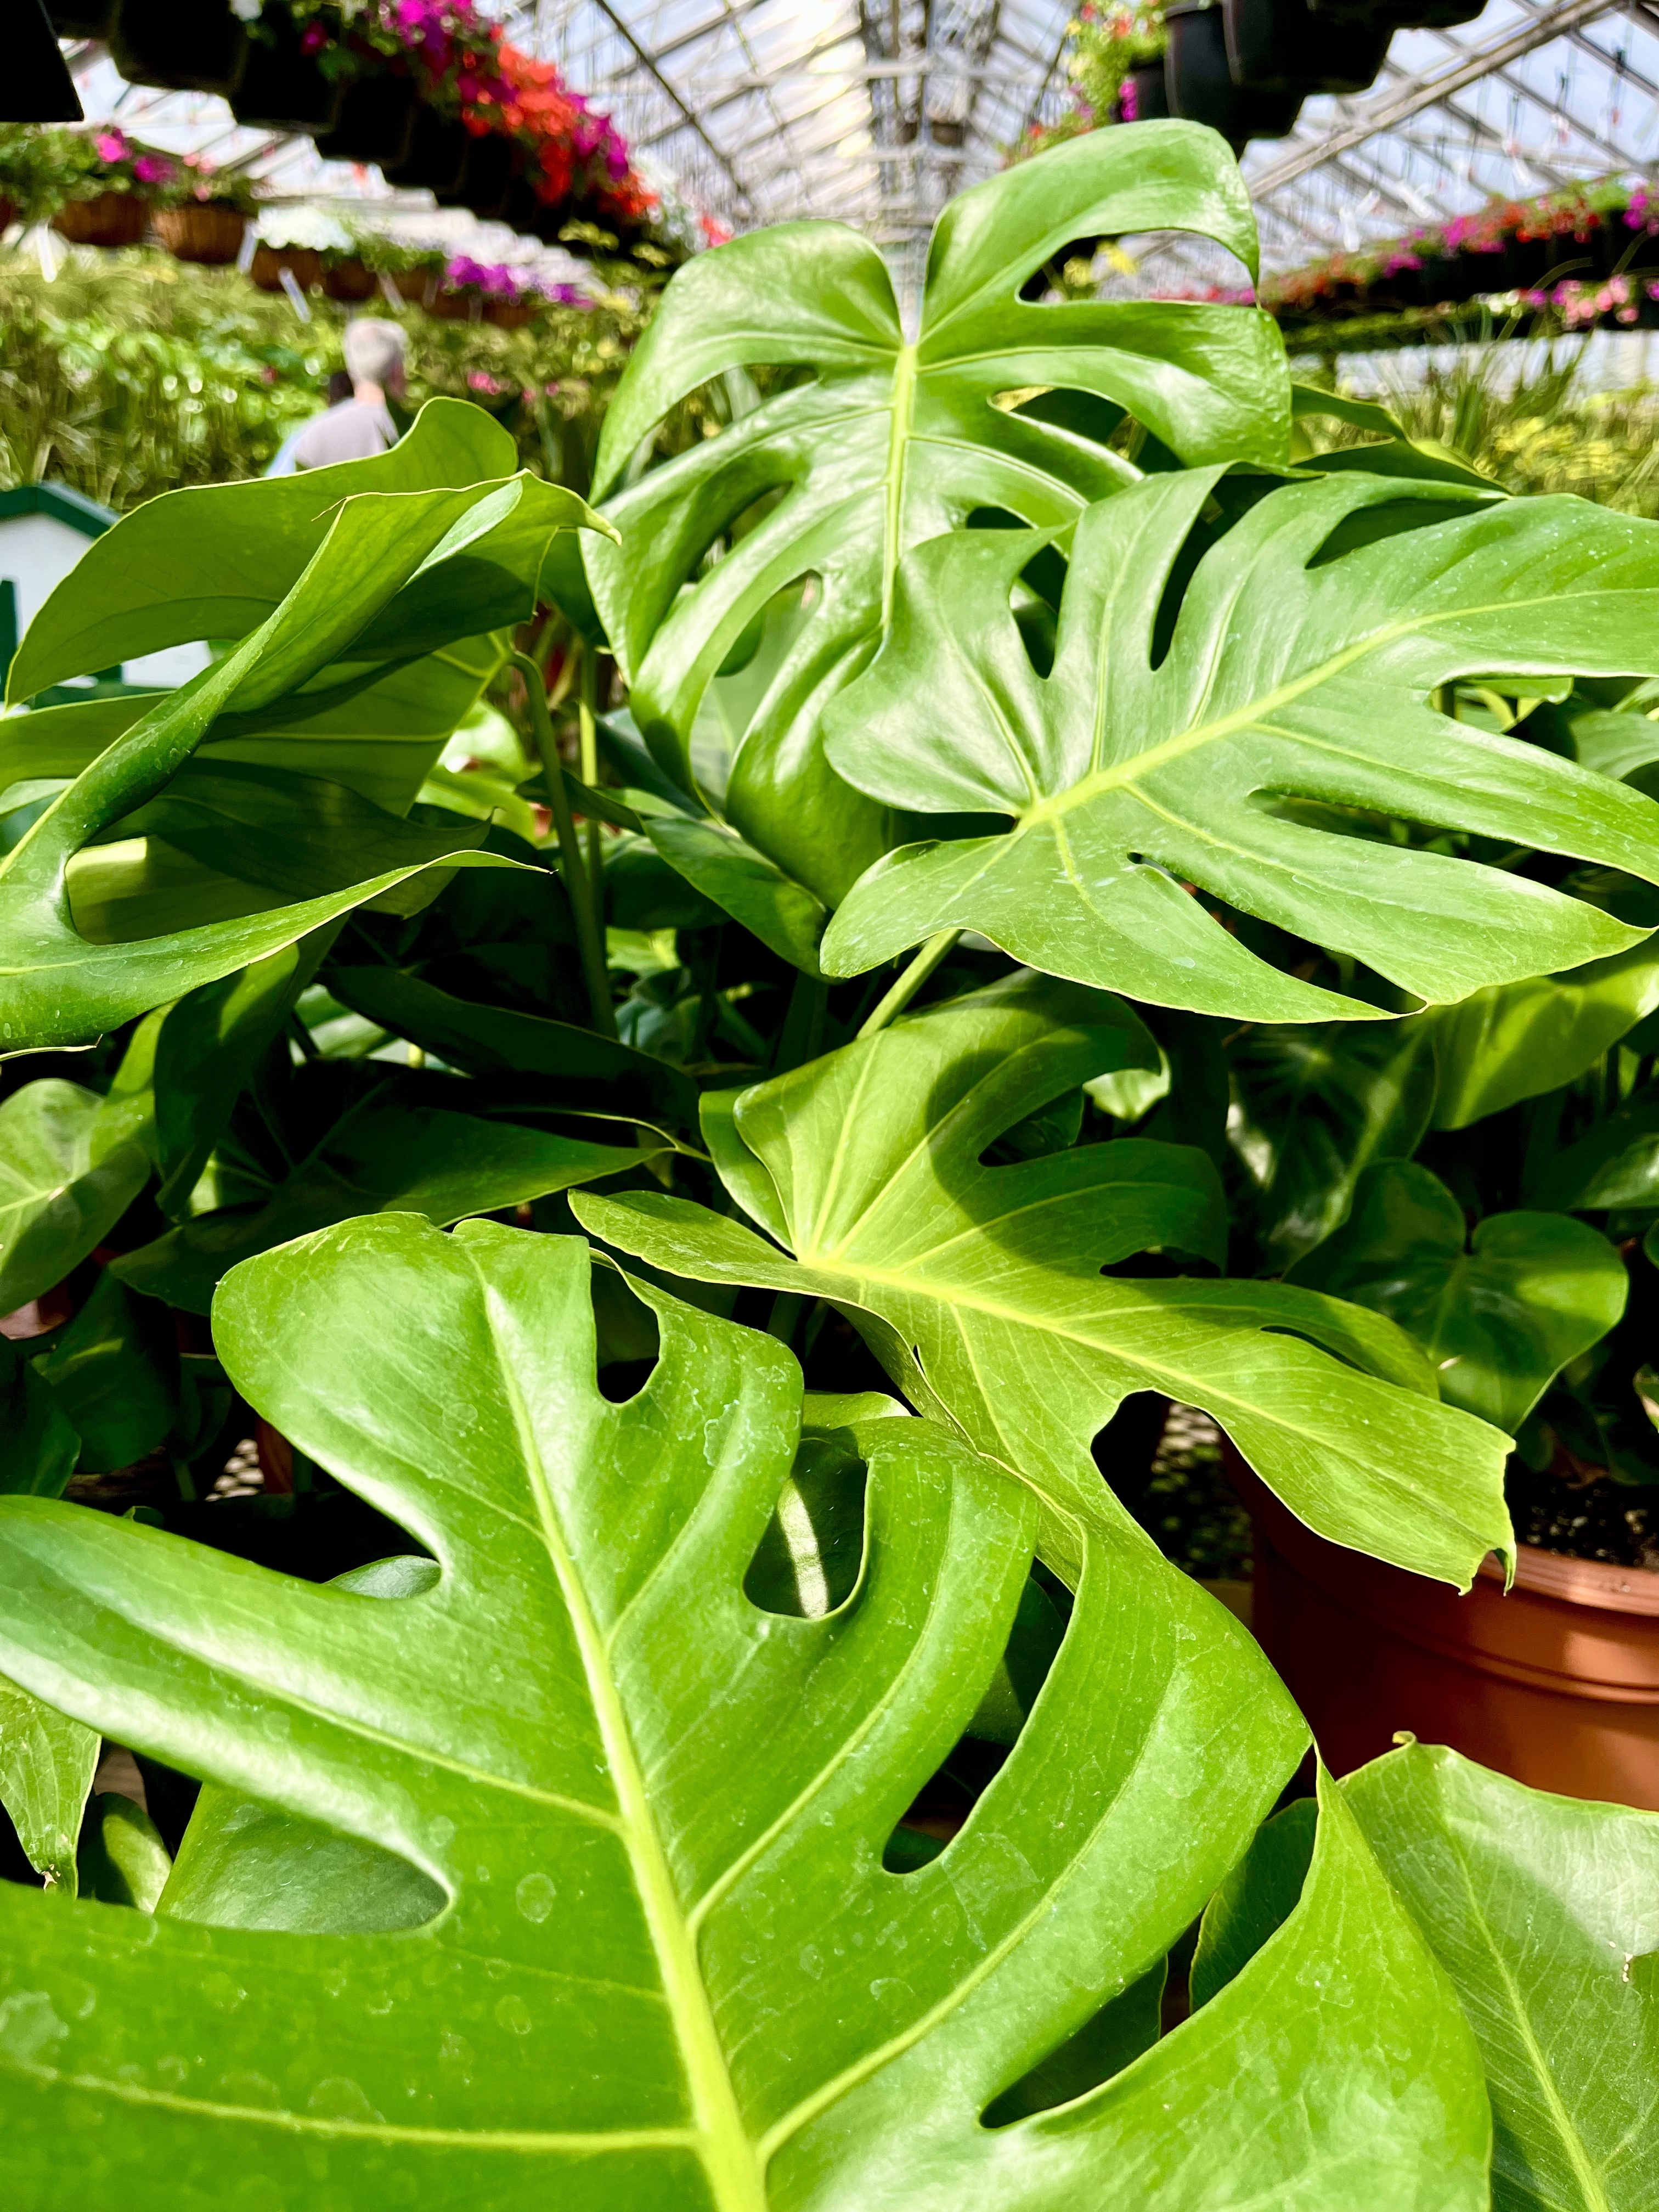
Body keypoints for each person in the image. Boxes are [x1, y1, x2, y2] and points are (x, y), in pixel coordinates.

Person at [272, 320, 407, 474]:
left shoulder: (311, 435)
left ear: (352, 370)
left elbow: (273, 491)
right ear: (397, 372)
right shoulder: (417, 431)